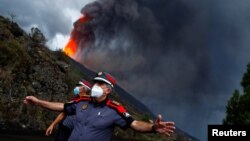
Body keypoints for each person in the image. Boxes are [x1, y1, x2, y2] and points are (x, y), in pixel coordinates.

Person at [24, 72, 175, 141]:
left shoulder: (115, 109)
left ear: (108, 89)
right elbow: (62, 107)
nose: (95, 85)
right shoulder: (81, 101)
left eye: (100, 83)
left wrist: (153, 128)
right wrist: (38, 102)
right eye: (95, 82)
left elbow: (134, 124)